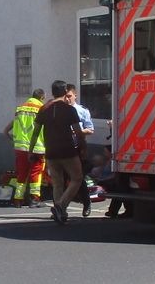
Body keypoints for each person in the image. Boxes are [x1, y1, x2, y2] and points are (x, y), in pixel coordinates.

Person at [28, 80, 87, 224]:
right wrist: (83, 147)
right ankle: (61, 206)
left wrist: (31, 150)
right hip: (67, 151)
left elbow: (35, 132)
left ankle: (60, 213)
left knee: (57, 183)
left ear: (53, 92)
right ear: (65, 91)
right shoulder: (69, 110)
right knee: (77, 178)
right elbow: (78, 132)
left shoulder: (44, 109)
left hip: (51, 152)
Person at [3, 88, 46, 208]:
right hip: (37, 146)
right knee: (36, 173)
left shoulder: (20, 109)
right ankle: (34, 199)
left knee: (21, 173)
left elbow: (8, 129)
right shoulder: (41, 109)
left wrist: (14, 139)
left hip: (20, 147)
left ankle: (18, 199)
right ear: (42, 97)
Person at [65, 84, 94, 217]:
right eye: (65, 96)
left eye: (69, 96)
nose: (67, 99)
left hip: (77, 148)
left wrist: (79, 132)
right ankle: (61, 208)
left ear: (75, 96)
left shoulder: (82, 111)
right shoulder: (61, 110)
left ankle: (86, 203)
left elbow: (90, 129)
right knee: (61, 179)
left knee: (78, 178)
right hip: (62, 148)